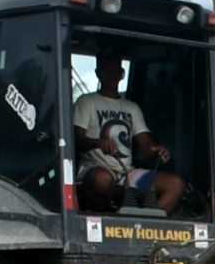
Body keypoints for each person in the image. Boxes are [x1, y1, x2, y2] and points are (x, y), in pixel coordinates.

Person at [73, 52, 184, 213]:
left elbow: (145, 144)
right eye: (107, 70)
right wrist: (98, 143)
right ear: (98, 73)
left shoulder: (132, 107)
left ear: (122, 74)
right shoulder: (86, 101)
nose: (112, 75)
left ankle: (149, 224)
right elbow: (77, 139)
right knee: (102, 180)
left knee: (175, 184)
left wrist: (155, 150)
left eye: (116, 71)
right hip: (95, 169)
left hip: (127, 176)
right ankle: (107, 222)